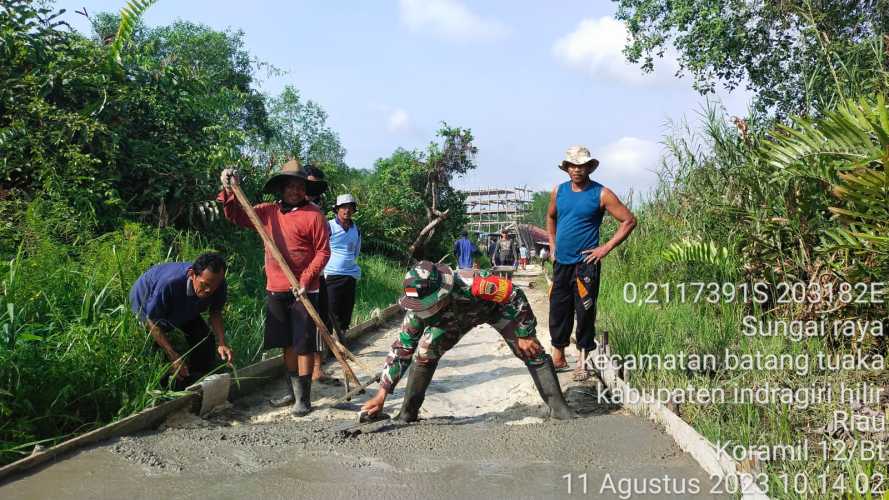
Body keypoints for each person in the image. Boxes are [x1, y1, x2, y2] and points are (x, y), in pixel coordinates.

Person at [360, 261, 574, 421]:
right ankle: (407, 413)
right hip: (449, 323)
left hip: (493, 309)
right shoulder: (416, 313)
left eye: (429, 305)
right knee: (424, 353)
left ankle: (559, 409)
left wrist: (525, 332)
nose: (424, 311)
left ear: (441, 293)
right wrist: (382, 395)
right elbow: (402, 349)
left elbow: (514, 293)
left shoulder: (473, 282)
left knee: (530, 350)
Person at [218, 160, 330, 416]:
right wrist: (228, 190)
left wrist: (305, 279)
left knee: (304, 344)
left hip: (304, 291)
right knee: (287, 343)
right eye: (289, 186)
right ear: (281, 188)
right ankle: (292, 392)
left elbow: (323, 252)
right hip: (276, 289)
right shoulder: (268, 212)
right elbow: (236, 215)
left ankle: (304, 398)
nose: (294, 190)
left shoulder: (314, 215)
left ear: (306, 189)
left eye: (299, 186)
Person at [547, 145, 636, 381]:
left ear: (589, 167)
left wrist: (605, 248)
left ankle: (583, 361)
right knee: (558, 309)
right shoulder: (559, 191)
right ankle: (558, 355)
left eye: (581, 165)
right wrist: (553, 245)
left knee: (584, 311)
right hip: (562, 262)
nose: (577, 169)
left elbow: (628, 220)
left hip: (586, 265)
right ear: (566, 168)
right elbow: (551, 216)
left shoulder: (601, 193)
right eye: (572, 165)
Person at [129, 253, 234, 389]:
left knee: (205, 339)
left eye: (214, 286)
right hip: (147, 304)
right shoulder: (169, 284)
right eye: (205, 285)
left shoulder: (217, 284)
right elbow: (152, 321)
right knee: (160, 356)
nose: (209, 290)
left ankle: (198, 379)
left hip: (186, 303)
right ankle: (167, 388)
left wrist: (222, 343)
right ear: (192, 274)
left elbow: (215, 312)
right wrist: (173, 355)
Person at [302, 165, 340, 386]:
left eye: (315, 188)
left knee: (321, 323)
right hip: (292, 279)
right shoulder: (284, 210)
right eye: (308, 185)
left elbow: (323, 248)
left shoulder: (318, 212)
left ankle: (317, 369)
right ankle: (301, 375)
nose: (310, 192)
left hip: (317, 276)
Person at [324, 193, 361, 342]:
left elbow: (356, 251)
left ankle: (341, 339)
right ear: (337, 210)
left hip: (350, 274)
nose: (347, 210)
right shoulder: (329, 226)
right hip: (331, 274)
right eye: (343, 207)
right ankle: (329, 344)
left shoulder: (356, 229)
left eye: (350, 207)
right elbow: (321, 248)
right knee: (331, 310)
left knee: (346, 308)